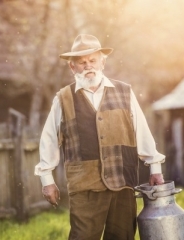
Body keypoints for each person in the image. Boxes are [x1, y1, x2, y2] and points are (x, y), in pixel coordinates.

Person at [34, 34, 165, 240]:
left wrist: (155, 167)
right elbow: (49, 139)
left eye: (93, 60)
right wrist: (46, 179)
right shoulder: (63, 99)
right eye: (82, 62)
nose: (88, 66)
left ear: (102, 62)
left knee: (122, 236)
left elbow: (142, 131)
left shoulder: (124, 92)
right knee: (82, 236)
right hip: (84, 185)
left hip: (123, 181)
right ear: (72, 67)